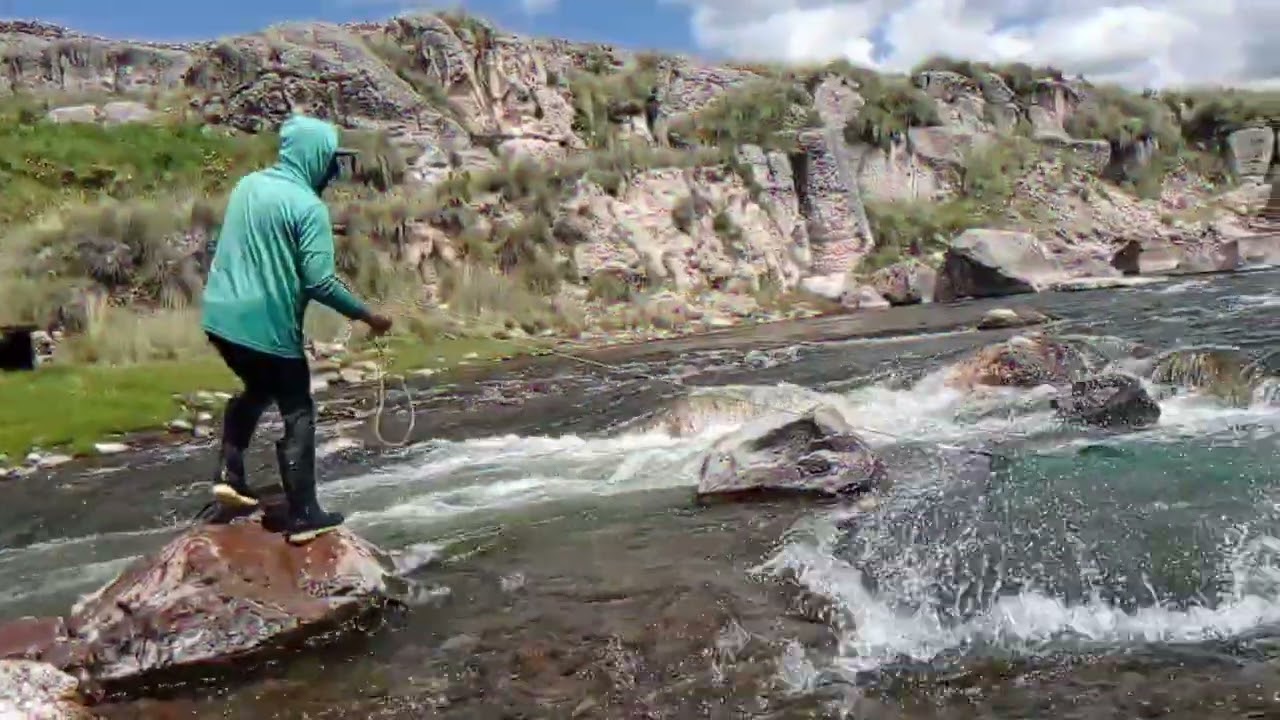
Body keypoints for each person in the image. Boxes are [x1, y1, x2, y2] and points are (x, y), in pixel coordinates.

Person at [201, 114, 393, 544]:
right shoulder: (309, 208)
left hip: (218, 317)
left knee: (257, 388)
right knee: (298, 409)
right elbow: (319, 281)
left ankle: (229, 475)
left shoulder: (247, 186)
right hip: (266, 324)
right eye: (330, 160)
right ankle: (304, 514)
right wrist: (369, 317)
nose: (333, 170)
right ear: (314, 157)